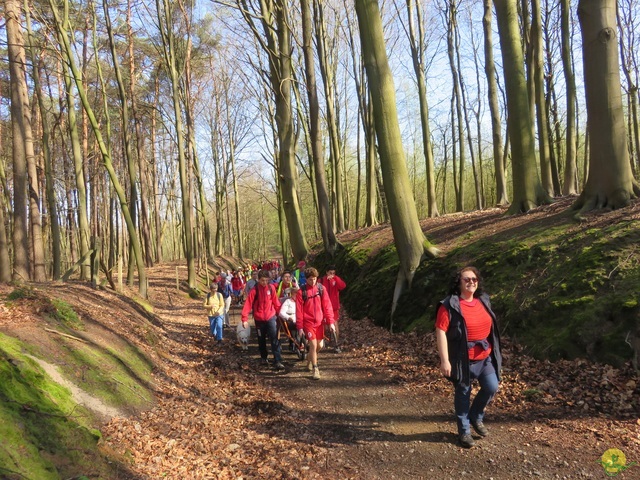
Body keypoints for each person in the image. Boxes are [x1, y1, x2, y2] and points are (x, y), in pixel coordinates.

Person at [435, 266, 502, 449]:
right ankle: (464, 431)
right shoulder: (449, 305)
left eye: (474, 279)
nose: (471, 281)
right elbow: (440, 331)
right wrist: (445, 360)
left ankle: (476, 415)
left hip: (484, 357)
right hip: (462, 360)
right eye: (467, 279)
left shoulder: (483, 300)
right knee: (463, 394)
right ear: (459, 282)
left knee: (491, 386)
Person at [296, 267, 335, 380]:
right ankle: (315, 368)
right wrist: (300, 327)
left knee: (320, 346)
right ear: (306, 279)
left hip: (319, 322)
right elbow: (299, 311)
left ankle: (310, 359)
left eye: (314, 279)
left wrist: (331, 322)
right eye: (310, 279)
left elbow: (327, 306)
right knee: (313, 345)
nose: (312, 281)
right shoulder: (301, 292)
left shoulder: (321, 289)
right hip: (308, 323)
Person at [241, 269, 284, 370]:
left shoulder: (271, 288)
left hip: (270, 317)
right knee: (261, 339)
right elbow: (247, 305)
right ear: (258, 280)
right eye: (262, 280)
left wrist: (280, 315)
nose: (264, 283)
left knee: (274, 338)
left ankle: (277, 360)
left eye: (266, 280)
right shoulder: (254, 290)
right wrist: (244, 319)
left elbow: (276, 303)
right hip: (259, 319)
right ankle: (264, 357)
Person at [318, 265, 346, 352]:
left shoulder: (336, 280)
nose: (332, 274)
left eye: (334, 273)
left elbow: (342, 286)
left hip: (333, 307)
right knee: (323, 325)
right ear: (326, 272)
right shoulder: (321, 280)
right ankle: (322, 341)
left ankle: (336, 343)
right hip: (322, 306)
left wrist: (335, 278)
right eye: (330, 273)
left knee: (334, 324)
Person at [278, 285, 301, 352]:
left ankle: (305, 342)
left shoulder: (301, 301)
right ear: (292, 294)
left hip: (300, 319)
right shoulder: (288, 301)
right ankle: (293, 342)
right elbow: (281, 313)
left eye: (298, 293)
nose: (296, 295)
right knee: (293, 327)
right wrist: (288, 317)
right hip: (291, 319)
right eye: (295, 293)